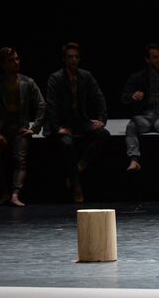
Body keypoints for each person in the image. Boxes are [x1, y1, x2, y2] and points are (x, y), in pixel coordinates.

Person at [44, 42, 110, 203]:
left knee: (103, 134)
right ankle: (76, 185)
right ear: (64, 60)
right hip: (62, 122)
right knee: (67, 144)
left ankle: (79, 167)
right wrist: (56, 127)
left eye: (76, 57)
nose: (73, 60)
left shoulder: (85, 75)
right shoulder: (56, 78)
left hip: (80, 119)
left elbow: (98, 96)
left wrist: (101, 119)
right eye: (70, 57)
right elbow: (50, 105)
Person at [121, 44, 159, 175]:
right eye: (155, 57)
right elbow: (124, 97)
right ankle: (134, 160)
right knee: (131, 126)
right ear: (147, 59)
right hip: (144, 116)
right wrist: (133, 96)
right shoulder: (138, 77)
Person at [0, 48, 46, 206]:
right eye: (11, 60)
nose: (16, 63)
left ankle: (15, 194)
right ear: (3, 64)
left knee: (20, 159)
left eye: (17, 59)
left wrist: (34, 127)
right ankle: (4, 192)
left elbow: (41, 104)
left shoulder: (27, 82)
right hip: (2, 129)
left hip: (20, 128)